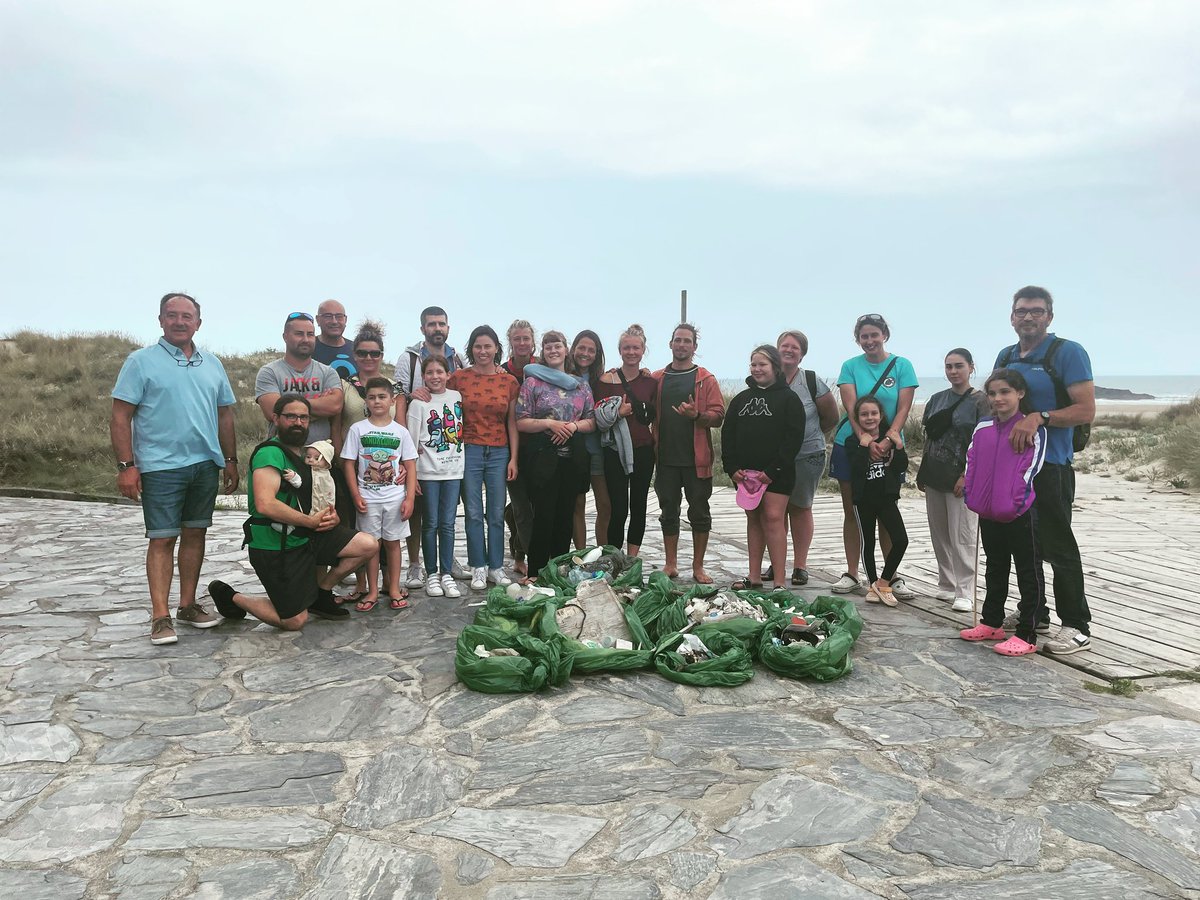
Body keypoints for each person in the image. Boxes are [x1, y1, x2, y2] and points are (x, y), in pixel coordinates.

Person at [110, 293, 238, 645]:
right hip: (160, 466)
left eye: (187, 316)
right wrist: (127, 466)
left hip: (204, 464)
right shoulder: (140, 362)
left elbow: (225, 414)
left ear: (198, 322)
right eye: (172, 315)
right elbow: (121, 416)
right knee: (163, 538)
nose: (179, 322)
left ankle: (187, 605)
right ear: (160, 320)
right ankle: (160, 616)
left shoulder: (212, 364)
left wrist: (230, 459)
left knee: (195, 534)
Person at [208, 395, 377, 629]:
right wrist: (309, 522)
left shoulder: (304, 455)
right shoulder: (270, 453)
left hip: (304, 536)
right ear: (276, 419)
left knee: (367, 544)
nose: (298, 422)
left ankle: (321, 593)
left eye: (303, 417)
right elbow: (266, 504)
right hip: (276, 545)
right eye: (291, 417)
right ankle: (231, 596)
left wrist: (332, 516)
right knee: (294, 621)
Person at [993, 285, 1096, 656]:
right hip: (1015, 468)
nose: (1029, 317)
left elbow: (1085, 410)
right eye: (1022, 311)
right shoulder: (1006, 355)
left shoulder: (1067, 352)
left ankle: (1077, 626)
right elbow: (998, 402)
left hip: (1051, 466)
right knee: (1024, 548)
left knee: (1058, 546)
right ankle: (1033, 614)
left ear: (1049, 316)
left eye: (1036, 311)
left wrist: (1040, 417)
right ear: (1012, 316)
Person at [960, 369, 1048, 656]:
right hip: (988, 511)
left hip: (1019, 512)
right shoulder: (982, 428)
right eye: (993, 393)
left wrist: (1015, 503)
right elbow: (971, 461)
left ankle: (1027, 632)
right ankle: (992, 621)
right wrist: (973, 496)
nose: (998, 398)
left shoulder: (1031, 429)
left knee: (1028, 571)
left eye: (1005, 392)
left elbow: (1031, 468)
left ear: (1019, 393)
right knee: (995, 566)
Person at [830, 314, 918, 598]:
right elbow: (851, 405)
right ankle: (852, 573)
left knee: (886, 509)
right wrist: (864, 439)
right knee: (853, 510)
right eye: (864, 336)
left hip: (889, 446)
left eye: (874, 335)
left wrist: (889, 437)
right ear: (858, 339)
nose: (870, 341)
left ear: (884, 336)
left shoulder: (902, 366)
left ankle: (889, 576)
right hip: (852, 446)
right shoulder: (850, 367)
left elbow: (904, 407)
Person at [721, 345, 805, 592]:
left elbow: (793, 439)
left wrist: (772, 471)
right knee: (753, 519)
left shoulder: (789, 399)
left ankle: (779, 581)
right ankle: (754, 575)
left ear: (775, 368)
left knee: (773, 518)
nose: (757, 369)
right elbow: (728, 434)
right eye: (753, 364)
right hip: (745, 474)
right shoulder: (741, 399)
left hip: (777, 473)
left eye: (762, 365)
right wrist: (731, 467)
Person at [395, 306, 468, 589]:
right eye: (432, 324)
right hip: (424, 461)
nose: (437, 328)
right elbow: (400, 393)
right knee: (424, 518)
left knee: (446, 520)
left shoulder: (457, 359)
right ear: (423, 327)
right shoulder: (410, 358)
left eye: (442, 324)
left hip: (450, 463)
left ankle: (445, 565)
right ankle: (419, 565)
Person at [515, 330, 597, 578]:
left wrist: (572, 427)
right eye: (548, 346)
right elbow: (521, 421)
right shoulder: (532, 382)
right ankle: (537, 572)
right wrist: (550, 425)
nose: (553, 350)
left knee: (565, 518)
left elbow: (591, 421)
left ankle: (559, 570)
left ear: (565, 349)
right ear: (543, 352)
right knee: (543, 516)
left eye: (557, 346)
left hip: (572, 459)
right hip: (542, 459)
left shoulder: (580, 385)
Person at [917, 349, 989, 614]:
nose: (953, 371)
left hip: (961, 474)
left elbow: (983, 441)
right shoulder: (936, 399)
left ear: (971, 367)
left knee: (963, 534)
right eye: (948, 366)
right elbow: (930, 438)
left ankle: (966, 589)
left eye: (959, 366)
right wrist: (921, 472)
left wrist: (968, 475)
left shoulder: (981, 401)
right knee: (940, 532)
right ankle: (947, 583)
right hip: (935, 472)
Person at [653, 323, 725, 585]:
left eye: (687, 341)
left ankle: (698, 567)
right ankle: (670, 564)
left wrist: (697, 415)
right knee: (668, 511)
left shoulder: (706, 379)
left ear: (695, 347)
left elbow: (718, 417)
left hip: (697, 461)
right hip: (666, 460)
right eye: (678, 340)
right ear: (670, 344)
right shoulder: (658, 378)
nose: (682, 345)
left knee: (699, 512)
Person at [331, 321, 397, 604]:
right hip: (351, 466)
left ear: (382, 355)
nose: (369, 358)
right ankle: (361, 584)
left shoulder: (395, 388)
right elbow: (336, 425)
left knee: (387, 530)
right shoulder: (344, 387)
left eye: (375, 353)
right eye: (363, 353)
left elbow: (401, 427)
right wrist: (336, 455)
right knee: (357, 528)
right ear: (354, 355)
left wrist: (404, 464)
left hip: (387, 471)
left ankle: (387, 584)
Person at [449, 325, 519, 590]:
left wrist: (514, 458)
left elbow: (512, 421)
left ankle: (496, 567)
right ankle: (478, 566)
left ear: (496, 349)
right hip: (469, 450)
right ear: (471, 349)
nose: (482, 351)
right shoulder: (458, 378)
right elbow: (442, 403)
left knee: (496, 512)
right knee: (474, 512)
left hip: (499, 451)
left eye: (487, 346)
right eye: (478, 346)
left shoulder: (508, 381)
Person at [341, 378, 418, 611]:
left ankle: (393, 588)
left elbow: (411, 465)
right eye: (372, 397)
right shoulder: (358, 429)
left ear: (392, 400)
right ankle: (373, 591)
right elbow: (348, 464)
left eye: (382, 397)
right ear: (366, 400)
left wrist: (410, 498)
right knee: (372, 547)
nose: (377, 401)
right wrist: (355, 495)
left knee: (394, 544)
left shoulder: (400, 432)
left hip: (395, 499)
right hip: (368, 499)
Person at [772, 329, 839, 586]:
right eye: (784, 346)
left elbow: (831, 417)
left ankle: (800, 565)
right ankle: (776, 563)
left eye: (794, 347)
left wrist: (809, 435)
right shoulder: (766, 377)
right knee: (774, 512)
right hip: (773, 458)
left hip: (807, 455)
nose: (788, 350)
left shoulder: (811, 381)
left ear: (802, 354)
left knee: (800, 507)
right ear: (777, 349)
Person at [594, 324, 658, 557]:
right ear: (619, 350)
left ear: (643, 350)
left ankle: (632, 557)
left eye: (636, 348)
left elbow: (655, 417)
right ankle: (614, 556)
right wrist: (617, 413)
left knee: (638, 505)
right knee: (618, 508)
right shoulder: (606, 380)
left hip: (643, 449)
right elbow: (598, 416)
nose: (631, 352)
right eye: (626, 348)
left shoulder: (651, 382)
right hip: (614, 450)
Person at [407, 357, 466, 598]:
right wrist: (414, 477)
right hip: (428, 473)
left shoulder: (456, 397)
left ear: (448, 374)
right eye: (429, 372)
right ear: (423, 376)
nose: (435, 376)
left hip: (453, 471)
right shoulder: (418, 404)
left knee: (448, 524)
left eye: (439, 371)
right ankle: (431, 573)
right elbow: (411, 442)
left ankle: (447, 573)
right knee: (430, 523)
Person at [845, 396, 909, 606]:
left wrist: (898, 447)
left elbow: (900, 467)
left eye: (874, 413)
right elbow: (856, 470)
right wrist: (863, 447)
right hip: (863, 501)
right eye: (864, 414)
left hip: (886, 498)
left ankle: (883, 581)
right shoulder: (853, 442)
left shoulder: (889, 438)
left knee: (901, 540)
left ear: (881, 415)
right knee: (868, 543)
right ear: (857, 418)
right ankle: (873, 583)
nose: (869, 417)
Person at [255, 312, 344, 444]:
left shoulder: (328, 372)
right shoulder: (269, 372)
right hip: (281, 455)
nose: (305, 339)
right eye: (299, 334)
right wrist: (319, 404)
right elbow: (272, 412)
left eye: (310, 334)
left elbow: (335, 406)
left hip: (320, 459)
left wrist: (289, 412)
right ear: (285, 336)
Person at [502, 319, 538, 576]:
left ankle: (520, 549)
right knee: (522, 507)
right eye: (517, 339)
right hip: (508, 448)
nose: (522, 343)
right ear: (510, 342)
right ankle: (528, 559)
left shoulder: (543, 369)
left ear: (533, 341)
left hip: (539, 447)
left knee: (532, 506)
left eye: (526, 338)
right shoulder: (502, 372)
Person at [569, 330, 609, 549]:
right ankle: (581, 555)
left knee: (604, 504)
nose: (585, 353)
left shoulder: (601, 379)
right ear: (573, 349)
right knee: (578, 504)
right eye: (581, 348)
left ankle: (602, 554)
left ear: (597, 354)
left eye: (591, 350)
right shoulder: (562, 374)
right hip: (573, 448)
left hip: (597, 449)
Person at [312, 299, 356, 379]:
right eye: (328, 316)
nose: (334, 321)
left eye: (339, 316)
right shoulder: (308, 348)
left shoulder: (357, 350)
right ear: (318, 320)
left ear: (345, 320)